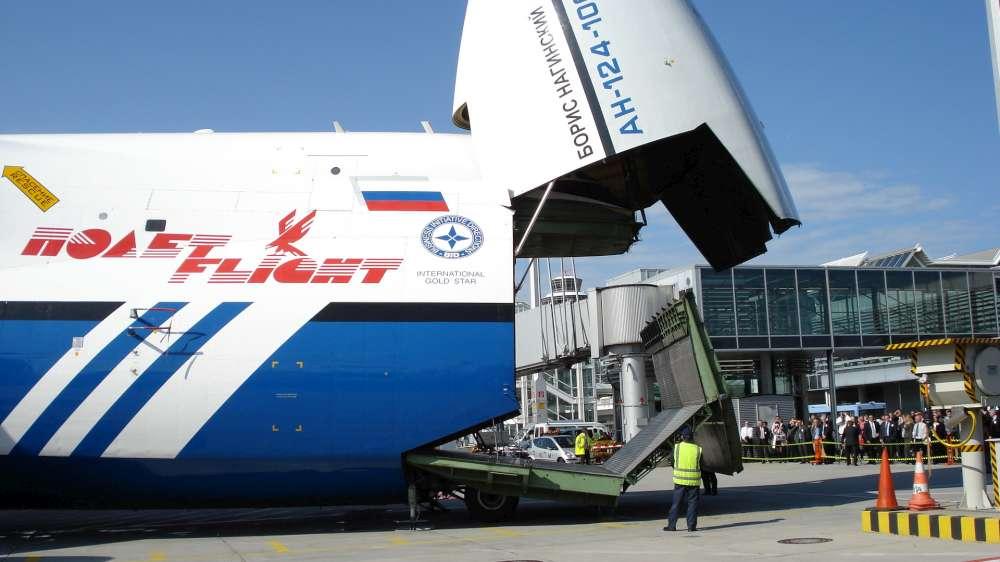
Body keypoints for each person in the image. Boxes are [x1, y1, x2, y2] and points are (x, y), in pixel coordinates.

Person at [665, 427, 701, 532]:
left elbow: (672, 461)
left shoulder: (677, 447)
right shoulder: (698, 449)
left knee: (676, 503)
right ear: (692, 437)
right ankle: (691, 527)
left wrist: (677, 469)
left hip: (680, 481)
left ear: (682, 437)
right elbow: (701, 463)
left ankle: (672, 526)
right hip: (694, 481)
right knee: (693, 504)